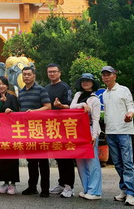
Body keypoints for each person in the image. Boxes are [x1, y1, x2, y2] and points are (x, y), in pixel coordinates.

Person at [101, 66, 134, 206]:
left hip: (124, 131)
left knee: (127, 163)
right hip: (110, 132)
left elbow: (131, 105)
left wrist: (130, 114)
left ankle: (131, 194)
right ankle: (124, 189)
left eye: (108, 74)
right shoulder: (104, 93)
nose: (106, 77)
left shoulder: (123, 90)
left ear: (114, 75)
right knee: (117, 163)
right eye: (104, 75)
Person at [17, 66, 51, 198]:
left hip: (40, 130)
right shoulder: (21, 92)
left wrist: (34, 112)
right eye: (24, 74)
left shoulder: (41, 90)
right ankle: (32, 187)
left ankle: (45, 189)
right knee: (31, 161)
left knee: (42, 161)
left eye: (29, 74)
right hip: (27, 131)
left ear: (34, 76)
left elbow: (48, 107)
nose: (26, 77)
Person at [45, 63, 75, 198]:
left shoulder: (65, 87)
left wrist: (60, 106)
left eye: (54, 72)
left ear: (59, 73)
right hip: (51, 127)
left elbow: (70, 106)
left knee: (66, 156)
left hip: (64, 127)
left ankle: (69, 186)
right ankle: (62, 183)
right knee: (58, 156)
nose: (52, 74)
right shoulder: (46, 88)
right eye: (49, 72)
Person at [70, 73, 102, 200]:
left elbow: (95, 119)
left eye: (88, 81)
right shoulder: (78, 95)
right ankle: (86, 188)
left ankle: (95, 191)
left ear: (92, 83)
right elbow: (72, 107)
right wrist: (82, 105)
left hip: (89, 131)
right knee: (80, 161)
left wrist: (94, 135)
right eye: (83, 81)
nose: (85, 83)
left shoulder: (95, 99)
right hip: (77, 131)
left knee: (92, 161)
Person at [0, 76, 19, 195]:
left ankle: (12, 183)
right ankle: (5, 182)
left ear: (7, 86)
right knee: (2, 157)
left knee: (12, 157)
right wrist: (1, 102)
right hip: (0, 132)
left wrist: (11, 112)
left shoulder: (12, 97)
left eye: (3, 84)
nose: (1, 86)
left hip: (12, 132)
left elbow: (18, 113)